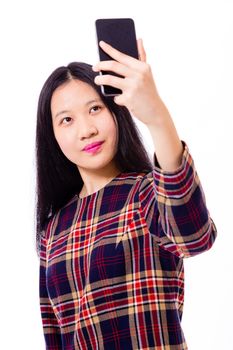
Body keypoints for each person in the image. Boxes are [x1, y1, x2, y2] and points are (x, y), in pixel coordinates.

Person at [36, 38, 217, 350]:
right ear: (52, 136)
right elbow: (55, 337)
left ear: (115, 113)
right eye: (67, 119)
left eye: (95, 109)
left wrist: (156, 115)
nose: (86, 129)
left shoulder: (146, 194)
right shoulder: (53, 230)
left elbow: (195, 236)